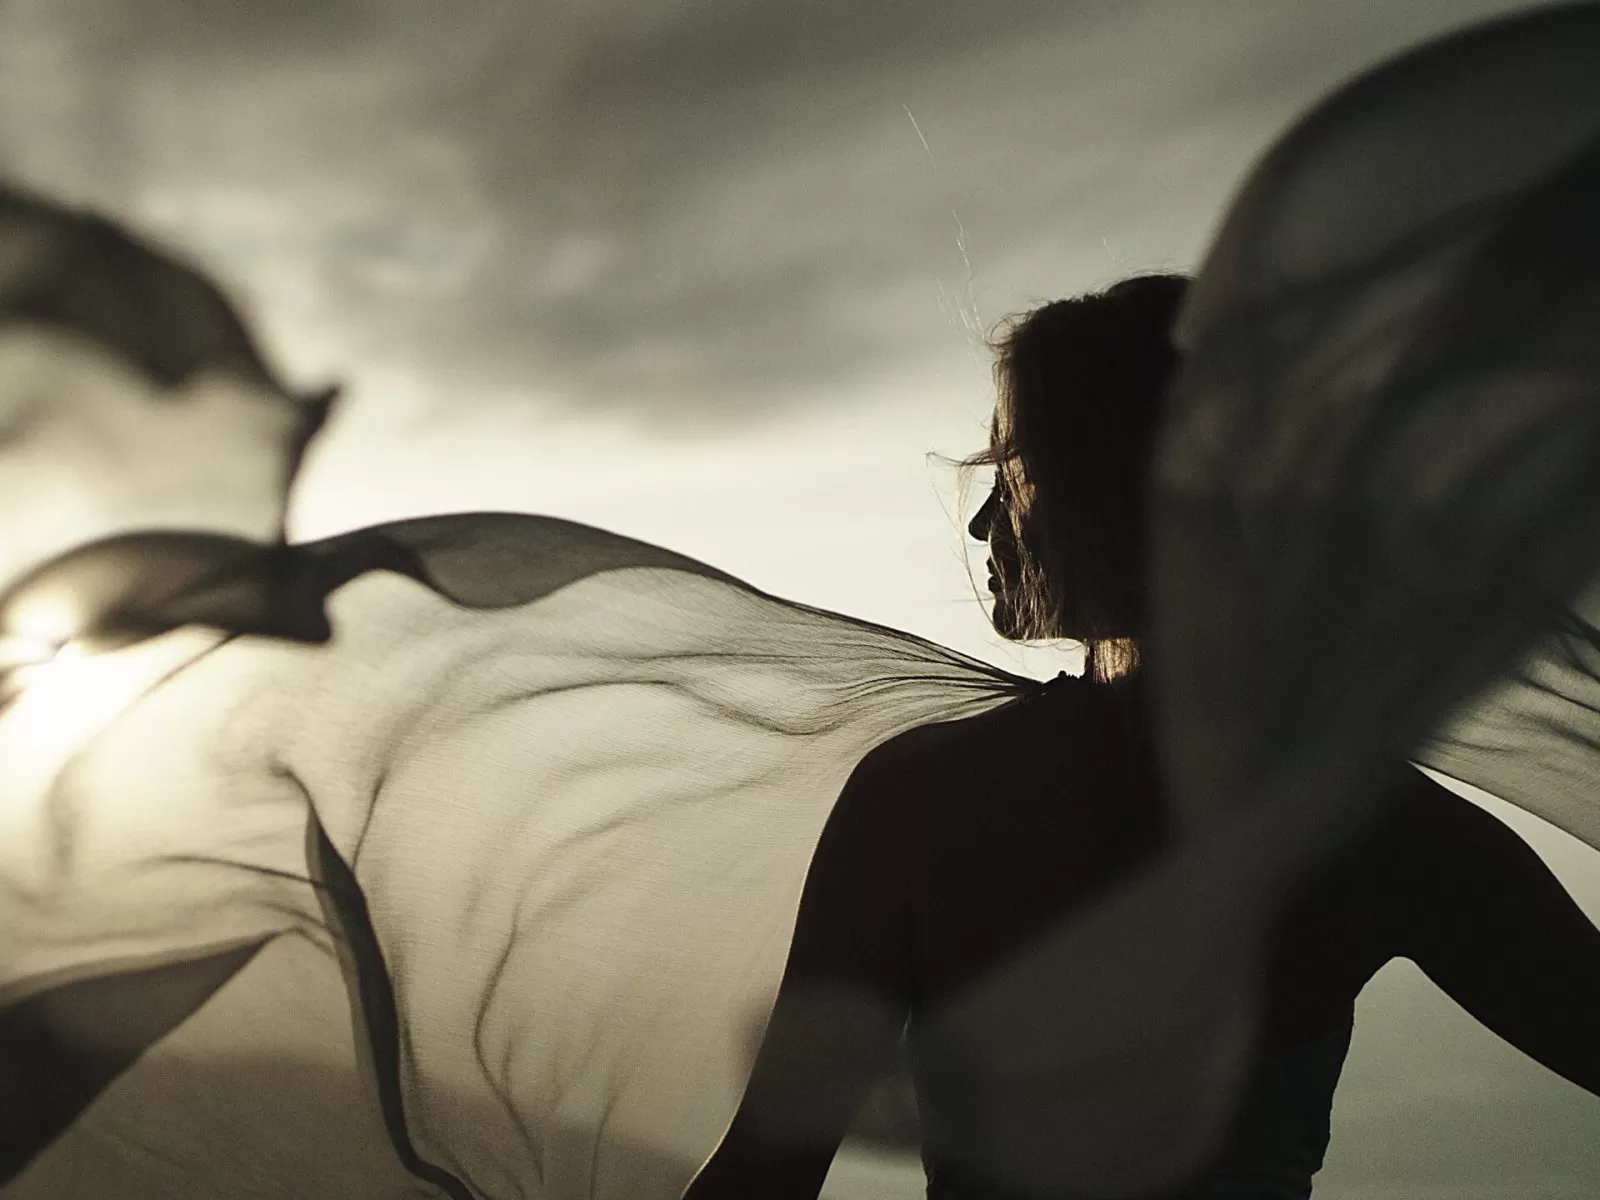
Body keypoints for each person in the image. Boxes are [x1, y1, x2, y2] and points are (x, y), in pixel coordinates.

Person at [681, 274, 1600, 1200]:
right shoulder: (1371, 826)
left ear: (1092, 487)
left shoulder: (919, 803)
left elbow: (760, 1178)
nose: (981, 517)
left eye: (1009, 469)